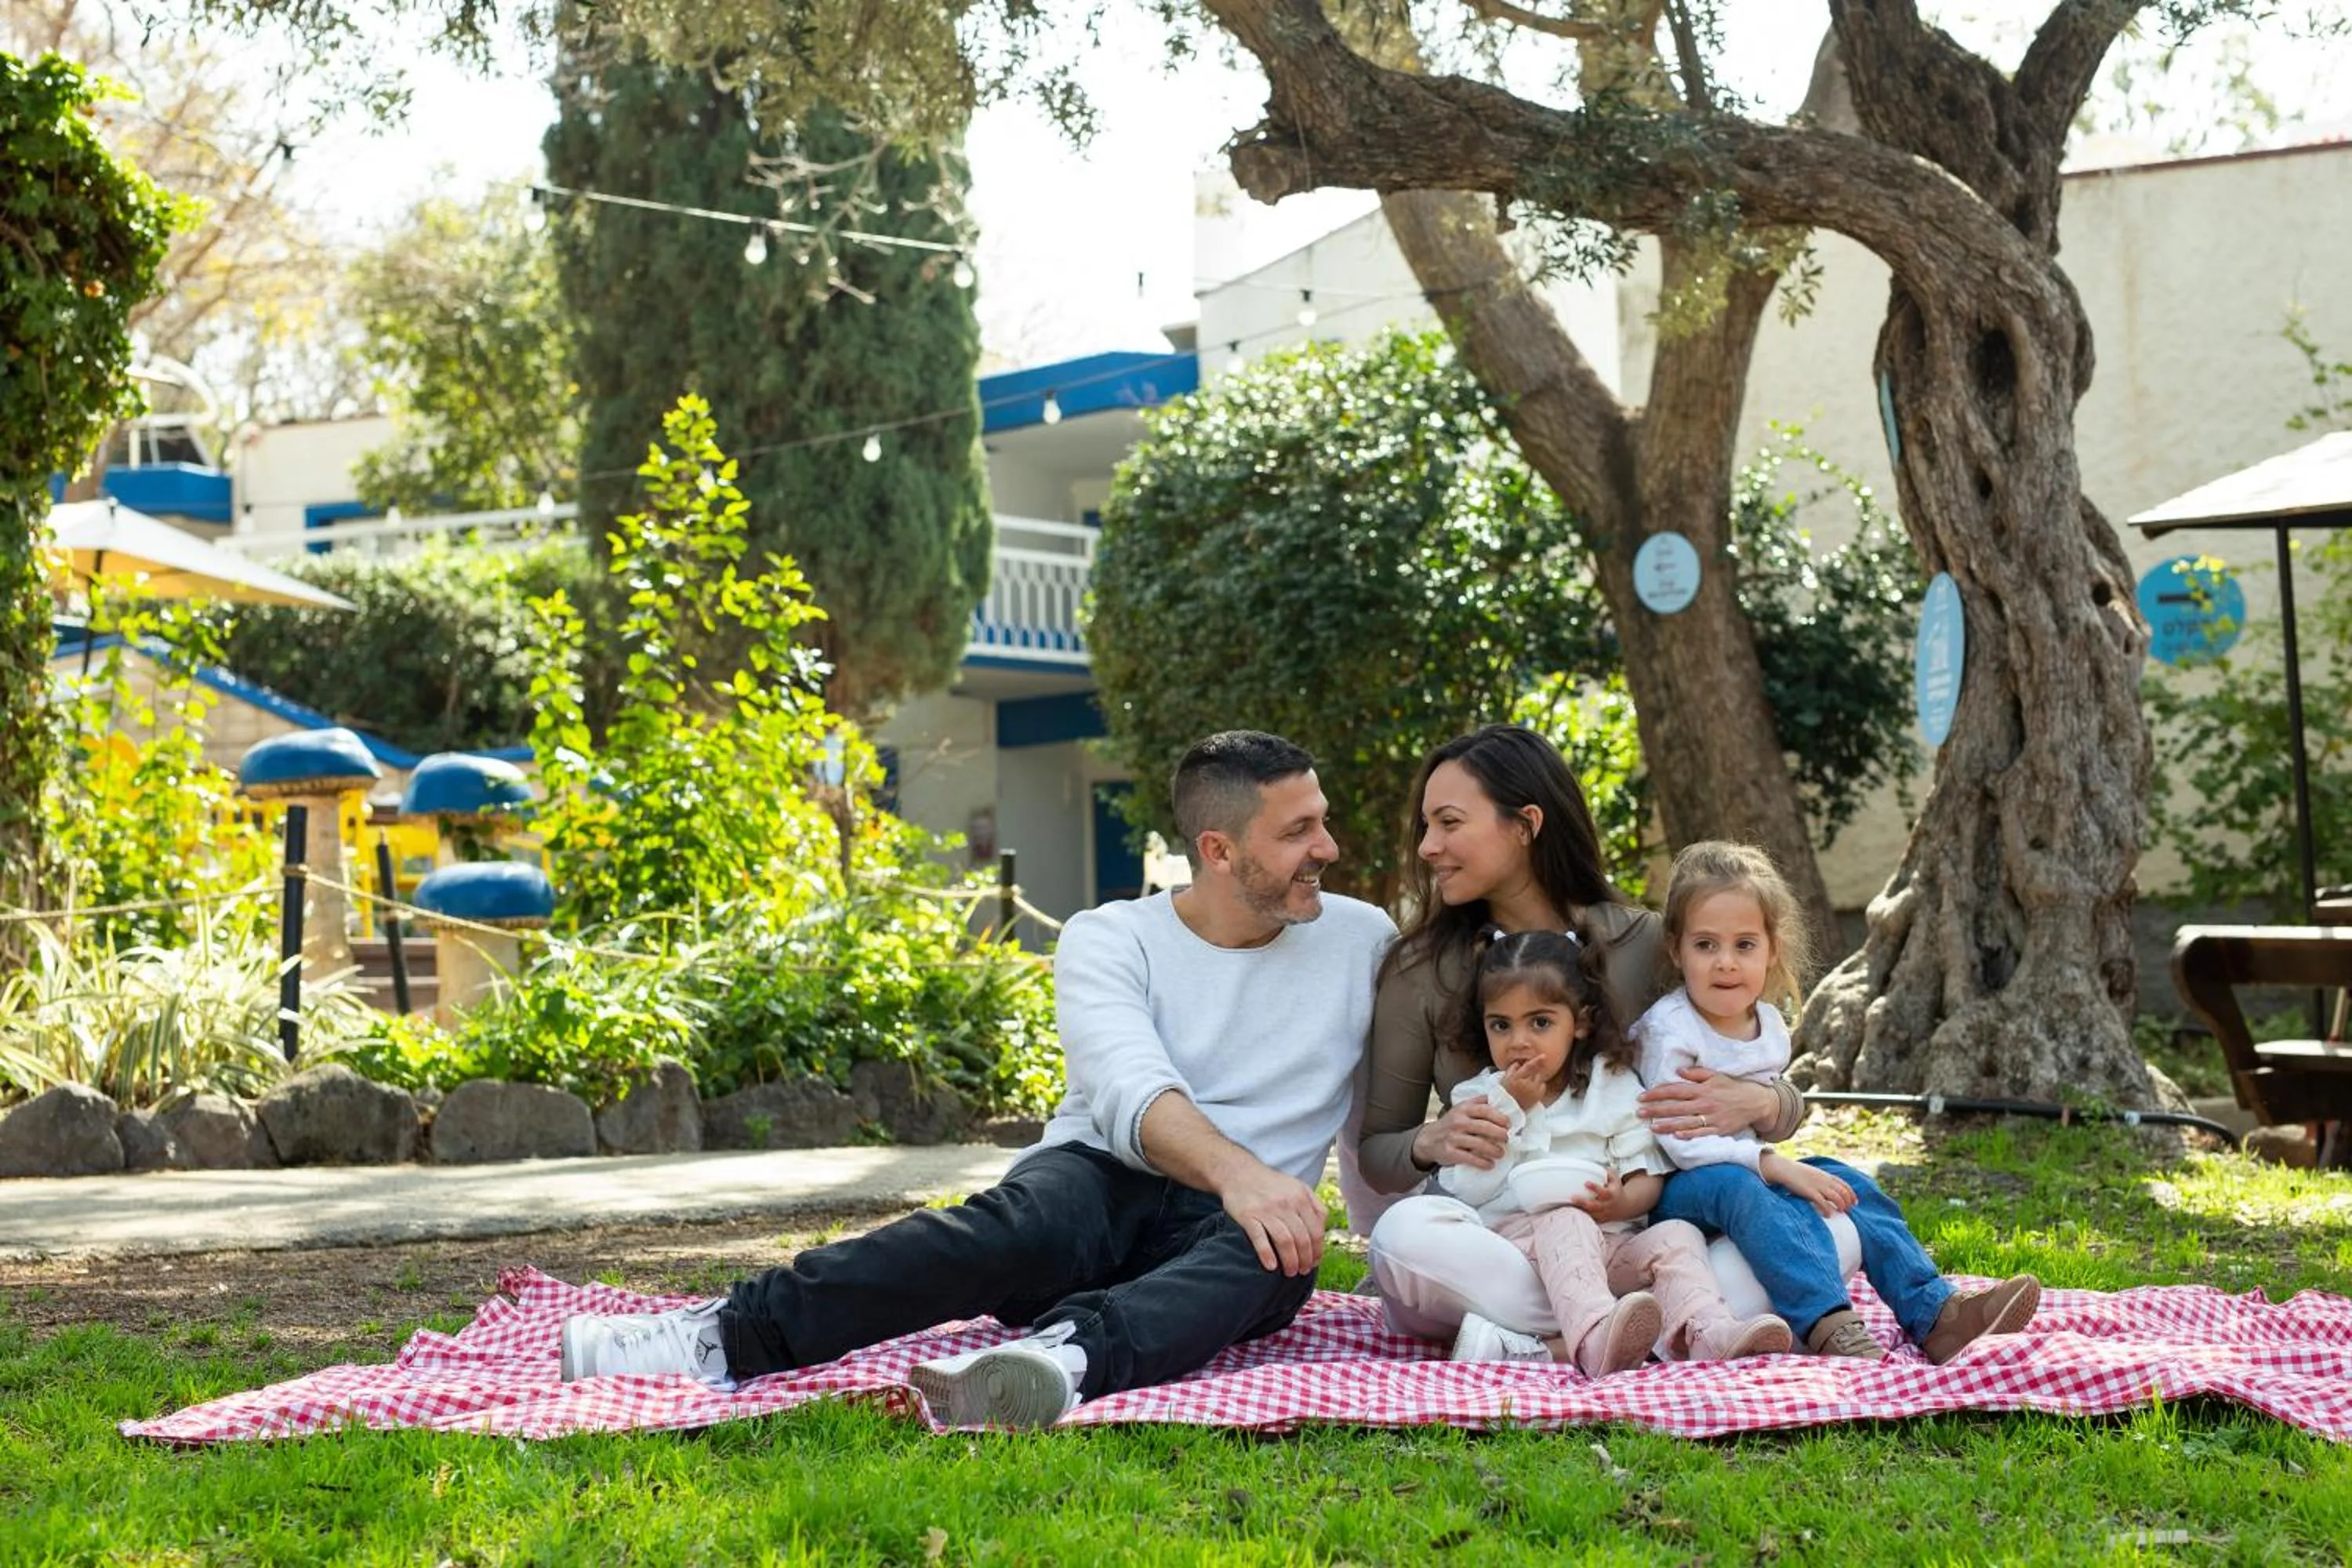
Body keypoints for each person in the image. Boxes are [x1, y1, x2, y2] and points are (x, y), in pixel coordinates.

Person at [557, 731, 1397, 1427]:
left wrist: (1394, 1257)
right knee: (1023, 1222)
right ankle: (723, 1333)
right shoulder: (1110, 936)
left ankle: (1049, 1362)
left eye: (1320, 822)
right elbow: (1128, 1088)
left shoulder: (1362, 939)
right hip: (1103, 1180)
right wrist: (1243, 1173)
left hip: (1239, 1230)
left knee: (1281, 1250)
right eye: (1299, 831)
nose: (1328, 847)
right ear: (1218, 849)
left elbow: (1368, 1120)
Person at [1358, 724, 1806, 1345]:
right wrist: (1432, 1141)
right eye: (1426, 827)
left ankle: (1544, 1343)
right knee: (1404, 1238)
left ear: (1526, 824)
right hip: (1505, 1246)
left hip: (1633, 1237)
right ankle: (1652, 1330)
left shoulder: (1648, 944)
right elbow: (1378, 1155)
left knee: (1827, 1225)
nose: (1429, 846)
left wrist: (1766, 1101)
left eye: (1450, 823)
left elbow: (1771, 1088)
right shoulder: (1422, 971)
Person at [1635, 840, 2042, 1363]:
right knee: (1742, 1187)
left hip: (1746, 1174)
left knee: (1849, 1181)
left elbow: (1769, 1118)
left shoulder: (1770, 1026)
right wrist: (1774, 1166)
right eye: (1706, 945)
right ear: (1676, 950)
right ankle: (1829, 1322)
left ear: (1771, 949)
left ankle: (1938, 1314)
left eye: (1744, 945)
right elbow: (1681, 1142)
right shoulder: (1670, 1030)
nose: (1726, 963)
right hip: (1677, 1186)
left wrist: (1779, 1161)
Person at [1432, 929, 1794, 1373]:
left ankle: (1707, 1331)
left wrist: (1620, 1202)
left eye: (1540, 1023)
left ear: (1579, 1023)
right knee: (1565, 1219)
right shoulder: (1479, 1097)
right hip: (1520, 1257)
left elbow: (1647, 1174)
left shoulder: (1612, 1085)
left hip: (1610, 1249)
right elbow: (1467, 1187)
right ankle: (1597, 1336)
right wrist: (1511, 1111)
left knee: (1677, 1234)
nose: (1519, 1041)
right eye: (1501, 1025)